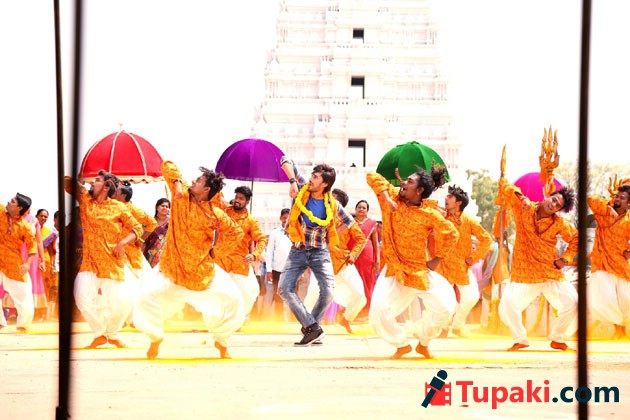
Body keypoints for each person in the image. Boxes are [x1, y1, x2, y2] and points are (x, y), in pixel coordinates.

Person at [133, 161, 245, 359]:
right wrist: (176, 184)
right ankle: (155, 338)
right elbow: (168, 165)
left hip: (202, 270)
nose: (194, 181)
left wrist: (215, 252)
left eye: (199, 180)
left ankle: (221, 341)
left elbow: (236, 233)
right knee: (145, 297)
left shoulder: (215, 213)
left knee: (234, 300)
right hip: (172, 266)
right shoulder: (182, 195)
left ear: (207, 189)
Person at [367, 168, 458, 359]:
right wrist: (387, 198)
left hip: (419, 271)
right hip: (395, 269)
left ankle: (424, 342)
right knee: (378, 309)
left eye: (410, 182)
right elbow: (371, 176)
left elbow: (451, 233)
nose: (404, 184)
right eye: (405, 180)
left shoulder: (429, 214)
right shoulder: (391, 197)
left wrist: (437, 259)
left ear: (419, 191)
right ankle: (401, 344)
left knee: (446, 307)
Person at [496, 177, 578, 351]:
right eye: (553, 199)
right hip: (524, 271)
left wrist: (565, 259)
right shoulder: (523, 207)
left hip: (550, 271)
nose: (553, 205)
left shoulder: (559, 223)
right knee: (507, 304)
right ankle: (520, 339)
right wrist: (521, 197)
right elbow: (504, 185)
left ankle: (557, 337)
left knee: (573, 301)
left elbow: (576, 238)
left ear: (559, 210)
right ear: (547, 195)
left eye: (557, 205)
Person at [64, 171, 143, 348]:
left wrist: (122, 243)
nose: (92, 182)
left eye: (97, 180)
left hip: (112, 263)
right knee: (81, 296)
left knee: (123, 302)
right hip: (90, 262)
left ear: (107, 186)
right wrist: (79, 178)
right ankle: (100, 333)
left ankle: (113, 334)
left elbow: (137, 228)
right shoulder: (86, 200)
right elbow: (67, 183)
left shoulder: (118, 207)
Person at [278, 156, 346, 346]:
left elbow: (349, 221)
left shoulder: (332, 204)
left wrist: (329, 236)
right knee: (284, 289)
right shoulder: (303, 188)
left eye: (315, 177)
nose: (311, 179)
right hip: (298, 250)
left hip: (319, 252)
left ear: (324, 184)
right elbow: (285, 160)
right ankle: (313, 328)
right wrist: (293, 181)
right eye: (312, 175)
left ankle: (312, 329)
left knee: (328, 293)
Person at [303, 188, 367, 334]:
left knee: (359, 294)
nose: (326, 200)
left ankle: (346, 318)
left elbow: (361, 238)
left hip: (343, 263)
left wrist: (353, 254)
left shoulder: (348, 221)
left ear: (339, 204)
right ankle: (307, 324)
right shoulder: (317, 218)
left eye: (331, 198)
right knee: (313, 293)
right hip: (321, 262)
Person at [436, 185, 492, 337]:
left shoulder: (468, 221)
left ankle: (457, 325)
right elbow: (425, 205)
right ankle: (443, 328)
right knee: (444, 300)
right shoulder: (440, 217)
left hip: (462, 267)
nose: (446, 198)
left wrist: (474, 258)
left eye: (450, 197)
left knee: (471, 297)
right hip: (442, 267)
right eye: (447, 196)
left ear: (459, 202)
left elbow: (486, 239)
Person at [212, 186, 267, 317]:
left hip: (239, 264)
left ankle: (237, 320)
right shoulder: (224, 211)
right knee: (218, 295)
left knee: (243, 296)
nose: (237, 200)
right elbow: (213, 198)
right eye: (236, 197)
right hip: (220, 261)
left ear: (247, 202)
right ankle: (219, 321)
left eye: (241, 199)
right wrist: (219, 191)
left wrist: (254, 255)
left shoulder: (251, 221)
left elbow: (262, 239)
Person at [587, 183, 630, 339]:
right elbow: (590, 199)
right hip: (602, 262)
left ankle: (621, 330)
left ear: (628, 203)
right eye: (617, 196)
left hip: (620, 264)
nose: (617, 199)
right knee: (605, 297)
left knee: (625, 300)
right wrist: (608, 207)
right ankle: (617, 328)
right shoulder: (603, 211)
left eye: (622, 198)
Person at [113, 181, 158, 325]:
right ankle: (122, 318)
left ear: (123, 195)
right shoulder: (112, 207)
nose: (114, 192)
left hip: (131, 253)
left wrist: (141, 239)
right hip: (115, 252)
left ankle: (133, 318)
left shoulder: (132, 209)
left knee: (132, 287)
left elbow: (152, 223)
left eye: (117, 191)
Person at [0, 193, 37, 332]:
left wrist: (27, 264)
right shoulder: (1, 211)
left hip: (13, 264)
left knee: (24, 295)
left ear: (20, 208)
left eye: (13, 201)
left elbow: (32, 245)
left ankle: (23, 325)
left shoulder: (25, 226)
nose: (9, 201)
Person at [349, 199, 380, 319]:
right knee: (354, 283)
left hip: (367, 257)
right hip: (352, 256)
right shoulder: (350, 222)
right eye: (359, 207)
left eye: (364, 208)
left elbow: (375, 243)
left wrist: (377, 260)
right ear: (355, 209)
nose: (361, 209)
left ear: (367, 211)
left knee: (367, 282)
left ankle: (366, 311)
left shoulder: (372, 224)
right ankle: (354, 312)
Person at [265, 208, 292, 320]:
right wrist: (269, 270)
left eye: (288, 218)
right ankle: (279, 319)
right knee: (278, 295)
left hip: (292, 270)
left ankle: (294, 319)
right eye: (284, 218)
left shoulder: (297, 232)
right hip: (277, 269)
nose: (286, 220)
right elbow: (269, 251)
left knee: (292, 296)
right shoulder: (274, 233)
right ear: (281, 218)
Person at [36, 209, 58, 321]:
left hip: (45, 262)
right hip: (33, 261)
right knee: (34, 287)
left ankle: (43, 313)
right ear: (36, 216)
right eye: (41, 216)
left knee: (45, 288)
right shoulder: (31, 229)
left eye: (45, 216)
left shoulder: (49, 233)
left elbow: (51, 251)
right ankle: (34, 312)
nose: (43, 218)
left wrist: (53, 265)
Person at [142, 198, 170, 269]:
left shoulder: (171, 224)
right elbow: (142, 237)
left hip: (165, 255)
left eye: (167, 207)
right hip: (149, 253)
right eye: (162, 206)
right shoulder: (150, 222)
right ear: (157, 207)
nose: (165, 208)